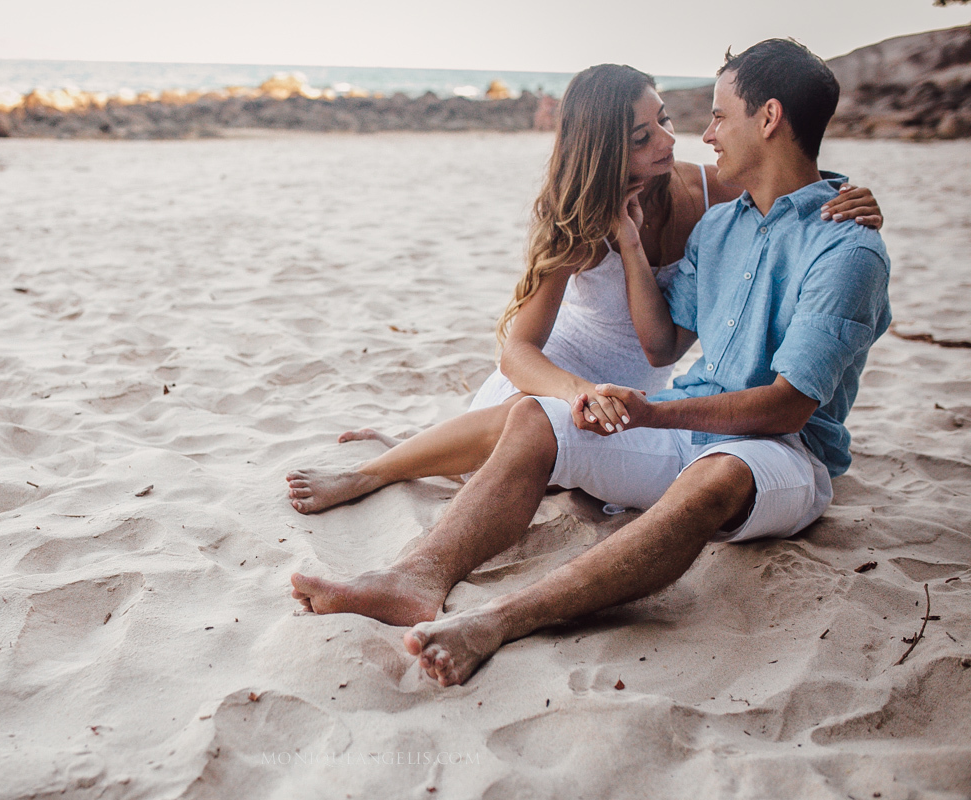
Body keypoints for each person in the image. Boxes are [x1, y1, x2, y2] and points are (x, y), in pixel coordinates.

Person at [290, 39, 892, 687]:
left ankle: (498, 619)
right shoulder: (724, 228)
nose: (701, 133)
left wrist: (653, 412)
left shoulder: (844, 249)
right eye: (665, 124)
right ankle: (411, 579)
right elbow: (662, 347)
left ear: (768, 119)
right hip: (678, 420)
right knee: (529, 418)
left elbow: (787, 406)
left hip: (784, 452)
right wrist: (630, 244)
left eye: (718, 115)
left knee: (716, 475)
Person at [285, 64, 881, 516]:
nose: (671, 142)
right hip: (556, 373)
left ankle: (425, 448)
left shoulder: (709, 190)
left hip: (636, 384)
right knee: (522, 434)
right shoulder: (573, 216)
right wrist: (576, 391)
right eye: (644, 136)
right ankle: (376, 470)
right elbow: (518, 351)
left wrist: (849, 198)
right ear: (605, 148)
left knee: (548, 466)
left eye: (666, 120)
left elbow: (785, 201)